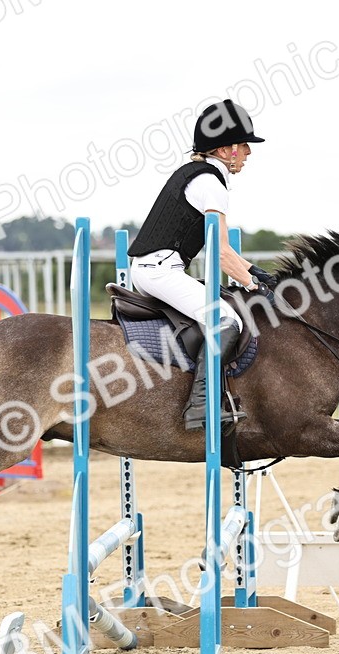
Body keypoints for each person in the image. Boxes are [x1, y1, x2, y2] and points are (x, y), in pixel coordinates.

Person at [128, 99, 271, 430]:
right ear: (224, 149)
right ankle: (201, 405)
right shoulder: (210, 184)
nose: (248, 152)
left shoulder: (201, 176)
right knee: (227, 321)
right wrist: (255, 285)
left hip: (158, 268)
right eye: (243, 145)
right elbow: (221, 253)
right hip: (159, 270)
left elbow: (227, 255)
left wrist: (259, 275)